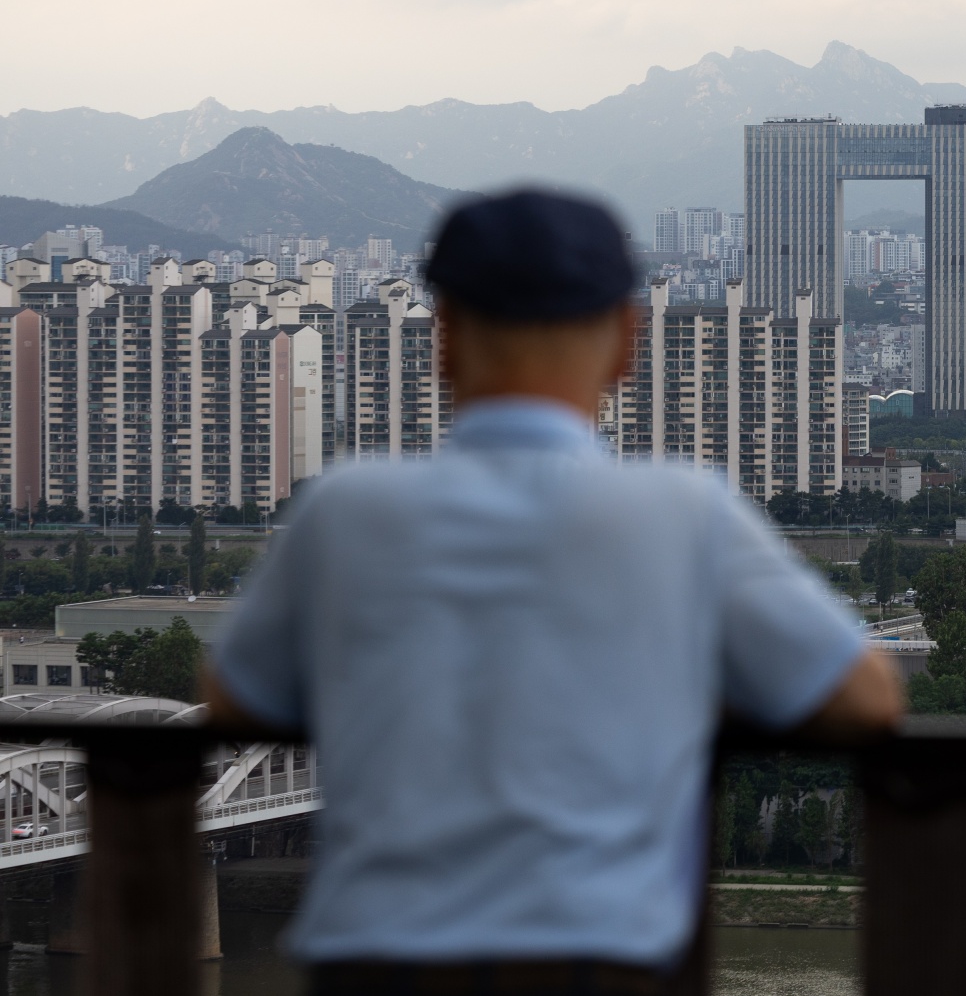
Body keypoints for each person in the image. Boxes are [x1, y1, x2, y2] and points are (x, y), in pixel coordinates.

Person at [206, 190, 903, 993]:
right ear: (627, 344)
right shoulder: (685, 511)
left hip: (377, 957)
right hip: (598, 955)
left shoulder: (345, 509)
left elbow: (233, 698)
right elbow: (866, 698)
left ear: (443, 340)